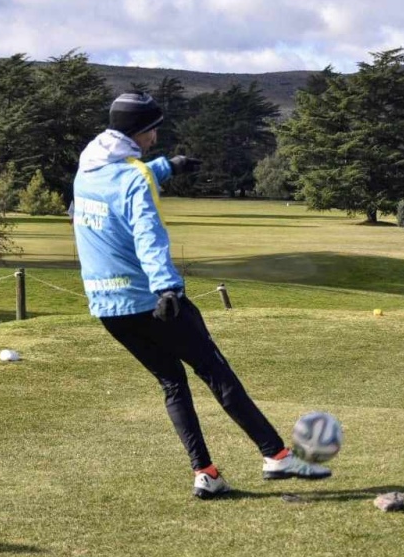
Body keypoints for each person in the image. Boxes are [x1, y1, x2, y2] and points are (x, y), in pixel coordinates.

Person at [72, 92, 331, 500]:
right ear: (139, 131)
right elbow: (146, 232)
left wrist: (168, 167)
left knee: (172, 382)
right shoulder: (133, 176)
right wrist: (167, 286)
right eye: (152, 130)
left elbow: (121, 187)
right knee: (215, 371)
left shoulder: (88, 170)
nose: (155, 137)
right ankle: (276, 456)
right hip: (152, 300)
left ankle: (206, 472)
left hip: (108, 307)